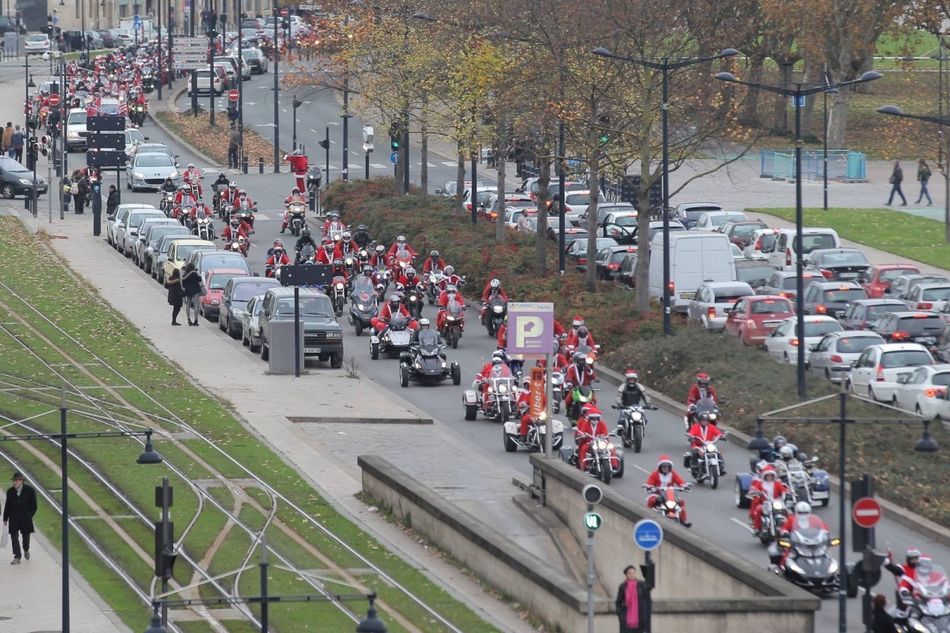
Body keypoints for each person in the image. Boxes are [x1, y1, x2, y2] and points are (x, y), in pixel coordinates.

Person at [3, 472, 38, 564]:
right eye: (14, 481)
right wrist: (5, 518)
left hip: (25, 518)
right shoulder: (10, 491)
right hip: (14, 518)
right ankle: (17, 556)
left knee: (26, 536)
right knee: (14, 536)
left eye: (17, 481)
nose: (15, 483)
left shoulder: (30, 490)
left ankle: (26, 549)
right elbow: (8, 505)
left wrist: (29, 515)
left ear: (21, 481)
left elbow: (34, 506)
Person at [644, 456, 689, 526]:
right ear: (660, 467)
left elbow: (680, 481)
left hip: (670, 494)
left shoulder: (673, 474)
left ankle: (683, 520)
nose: (666, 468)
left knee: (681, 502)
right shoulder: (655, 474)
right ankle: (647, 519)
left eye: (667, 466)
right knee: (651, 501)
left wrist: (684, 486)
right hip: (657, 494)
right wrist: (649, 487)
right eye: (664, 466)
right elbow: (650, 483)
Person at [748, 465, 788, 532]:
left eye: (771, 475)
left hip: (776, 502)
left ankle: (787, 528)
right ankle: (757, 527)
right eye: (768, 475)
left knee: (786, 511)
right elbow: (754, 489)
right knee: (758, 510)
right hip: (764, 503)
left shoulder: (777, 483)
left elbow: (783, 489)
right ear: (765, 476)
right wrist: (754, 492)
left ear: (773, 476)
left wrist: (787, 492)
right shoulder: (760, 484)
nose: (769, 477)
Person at [615, 565, 649, 633]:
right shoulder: (623, 586)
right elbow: (618, 602)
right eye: (629, 573)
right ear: (626, 575)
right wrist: (620, 614)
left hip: (639, 618)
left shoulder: (641, 585)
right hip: (626, 618)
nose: (632, 575)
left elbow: (646, 599)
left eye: (633, 573)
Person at [575, 407, 608, 472]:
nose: (595, 419)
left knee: (611, 448)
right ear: (590, 418)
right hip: (589, 442)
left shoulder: (602, 424)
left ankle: (614, 465)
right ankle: (583, 466)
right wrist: (583, 435)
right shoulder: (586, 423)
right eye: (593, 418)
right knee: (584, 448)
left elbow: (605, 432)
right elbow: (582, 431)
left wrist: (603, 435)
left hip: (601, 442)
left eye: (596, 418)